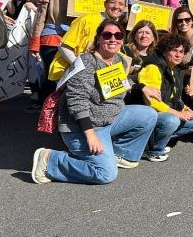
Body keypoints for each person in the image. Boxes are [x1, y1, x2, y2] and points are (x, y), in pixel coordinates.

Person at [31, 19, 158, 184]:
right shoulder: (86, 62)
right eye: (107, 35)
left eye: (118, 35)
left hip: (108, 119)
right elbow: (77, 100)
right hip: (82, 127)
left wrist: (141, 88)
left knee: (148, 115)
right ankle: (50, 160)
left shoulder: (118, 59)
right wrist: (90, 134)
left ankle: (120, 154)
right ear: (98, 38)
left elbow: (121, 81)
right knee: (105, 174)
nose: (113, 39)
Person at [29, 0, 90, 111]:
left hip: (79, 41)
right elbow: (41, 13)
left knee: (76, 79)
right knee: (53, 77)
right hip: (54, 37)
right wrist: (35, 41)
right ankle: (48, 114)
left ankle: (70, 113)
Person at [133, 34, 193, 161]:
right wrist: (178, 114)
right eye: (174, 50)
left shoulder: (174, 68)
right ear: (164, 51)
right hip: (145, 114)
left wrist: (185, 109)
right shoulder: (153, 68)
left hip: (162, 111)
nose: (178, 55)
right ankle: (152, 150)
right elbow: (152, 102)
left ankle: (155, 141)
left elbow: (174, 97)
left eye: (181, 52)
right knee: (172, 120)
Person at [47, 0, 128, 85]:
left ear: (125, 8)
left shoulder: (118, 28)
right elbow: (63, 47)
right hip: (68, 73)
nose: (116, 6)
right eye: (112, 2)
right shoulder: (86, 20)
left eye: (121, 4)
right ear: (105, 4)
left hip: (98, 76)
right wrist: (82, 67)